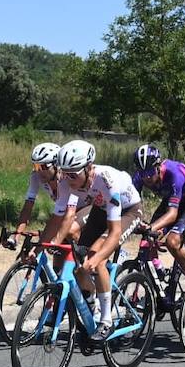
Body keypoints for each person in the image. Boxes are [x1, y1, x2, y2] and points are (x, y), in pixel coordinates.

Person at [41, 139, 144, 340]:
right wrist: (51, 243)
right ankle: (90, 300)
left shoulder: (106, 180)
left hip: (128, 211)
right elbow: (58, 218)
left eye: (73, 174)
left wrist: (96, 259)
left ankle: (106, 321)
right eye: (64, 173)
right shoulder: (65, 181)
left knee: (96, 260)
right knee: (79, 266)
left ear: (89, 168)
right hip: (101, 208)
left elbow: (114, 232)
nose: (68, 179)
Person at [131, 143, 185, 296]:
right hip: (172, 198)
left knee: (172, 241)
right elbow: (131, 206)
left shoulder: (173, 174)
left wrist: (150, 227)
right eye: (142, 172)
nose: (146, 177)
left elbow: (172, 214)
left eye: (150, 171)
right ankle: (159, 274)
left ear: (158, 166)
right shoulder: (139, 177)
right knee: (147, 241)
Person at [13, 142, 86, 244]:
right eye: (36, 166)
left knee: (70, 231)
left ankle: (88, 258)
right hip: (70, 212)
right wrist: (16, 235)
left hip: (89, 207)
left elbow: (70, 214)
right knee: (58, 254)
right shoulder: (35, 176)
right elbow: (27, 207)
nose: (39, 171)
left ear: (56, 165)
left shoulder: (67, 179)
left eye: (43, 167)